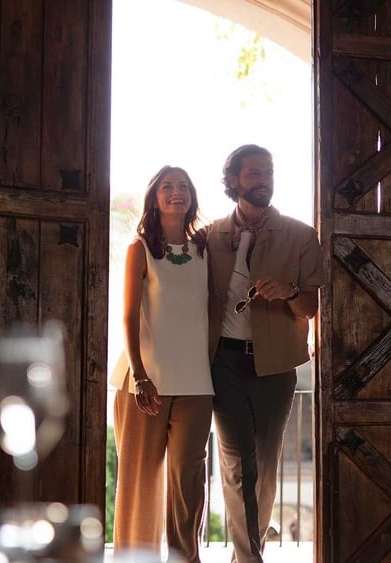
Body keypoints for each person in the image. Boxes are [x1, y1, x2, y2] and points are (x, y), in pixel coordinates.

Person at [205, 145, 323, 562]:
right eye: (253, 173)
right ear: (234, 180)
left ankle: (242, 555)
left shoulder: (300, 235)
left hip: (277, 367)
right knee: (238, 466)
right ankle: (250, 560)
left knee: (265, 469)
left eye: (268, 172)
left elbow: (310, 307)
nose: (263, 179)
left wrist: (289, 292)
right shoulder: (210, 236)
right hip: (224, 365)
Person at [114, 165, 214, 562]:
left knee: (189, 485)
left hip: (196, 384)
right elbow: (127, 316)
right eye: (168, 187)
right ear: (154, 198)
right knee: (139, 484)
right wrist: (140, 377)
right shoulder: (139, 249)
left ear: (192, 197)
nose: (177, 193)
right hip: (145, 382)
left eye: (184, 186)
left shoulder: (205, 248)